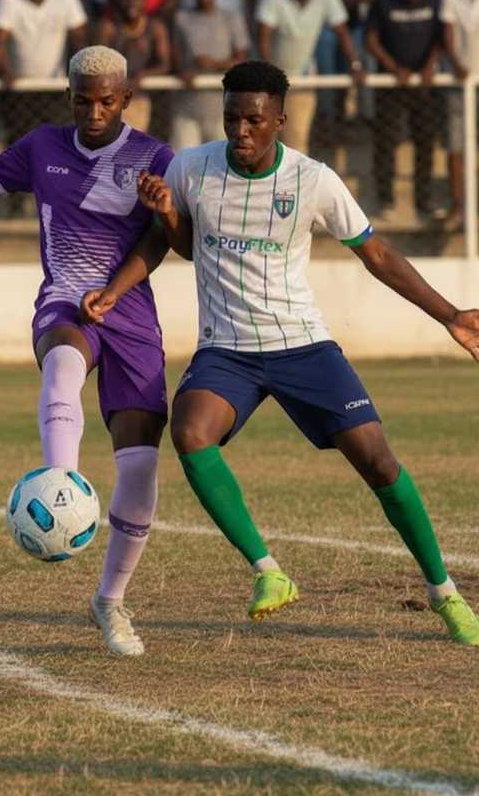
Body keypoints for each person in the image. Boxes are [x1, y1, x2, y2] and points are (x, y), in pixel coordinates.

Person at [81, 59, 479, 648]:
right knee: (191, 432)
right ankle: (269, 572)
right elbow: (181, 245)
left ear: (280, 122)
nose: (241, 131)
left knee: (378, 463)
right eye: (232, 118)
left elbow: (377, 254)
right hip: (228, 351)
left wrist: (451, 314)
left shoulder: (312, 180)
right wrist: (153, 231)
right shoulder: (192, 168)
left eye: (254, 120)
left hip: (303, 345)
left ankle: (445, 592)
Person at [0, 45, 174, 657]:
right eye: (82, 99)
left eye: (106, 100)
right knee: (63, 364)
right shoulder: (44, 146)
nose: (94, 111)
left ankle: (111, 602)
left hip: (131, 316)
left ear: (125, 99)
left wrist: (165, 210)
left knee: (140, 467)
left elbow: (167, 240)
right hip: (66, 302)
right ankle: (60, 484)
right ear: (68, 98)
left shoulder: (155, 158)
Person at [257, 0, 364, 154]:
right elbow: (263, 34)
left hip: (302, 79)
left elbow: (342, 32)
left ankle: (291, 186)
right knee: (263, 143)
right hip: (268, 83)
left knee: (296, 143)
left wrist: (355, 64)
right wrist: (267, 75)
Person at [365, 0, 442, 226]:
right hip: (391, 84)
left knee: (425, 142)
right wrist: (393, 67)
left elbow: (441, 38)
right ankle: (385, 200)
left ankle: (424, 201)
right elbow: (371, 39)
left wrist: (430, 66)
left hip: (422, 86)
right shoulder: (384, 0)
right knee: (385, 141)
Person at [0, 0, 87, 140]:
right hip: (19, 87)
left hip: (54, 86)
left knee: (57, 142)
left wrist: (78, 72)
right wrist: (5, 70)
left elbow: (78, 39)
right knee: (20, 142)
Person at [171, 0, 249, 149]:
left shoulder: (231, 18)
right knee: (183, 165)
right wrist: (182, 70)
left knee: (220, 167)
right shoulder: (181, 19)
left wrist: (214, 64)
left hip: (223, 110)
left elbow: (243, 59)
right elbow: (174, 55)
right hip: (187, 107)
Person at [94, 0, 170, 133]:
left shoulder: (155, 28)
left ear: (144, 1)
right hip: (110, 98)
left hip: (142, 98)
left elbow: (165, 65)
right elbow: (97, 65)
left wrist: (141, 76)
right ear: (118, 0)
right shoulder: (108, 28)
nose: (131, 3)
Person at [440, 0, 479, 233]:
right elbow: (447, 35)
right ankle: (457, 206)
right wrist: (456, 63)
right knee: (456, 147)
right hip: (458, 85)